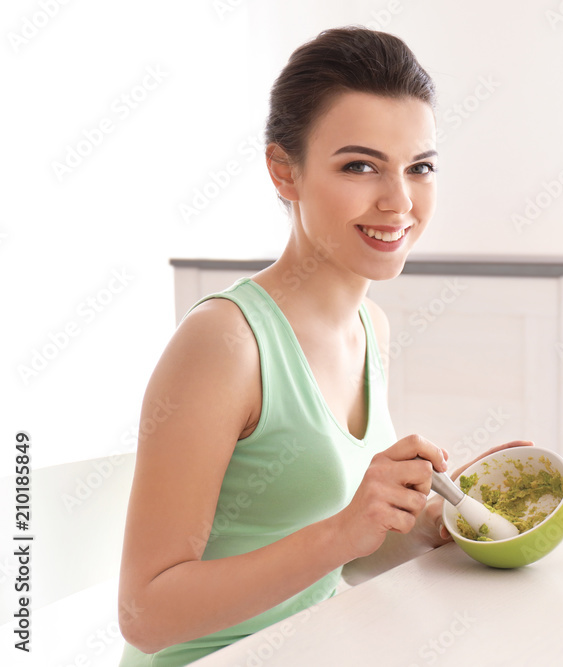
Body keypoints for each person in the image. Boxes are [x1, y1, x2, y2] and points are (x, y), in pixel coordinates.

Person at [117, 27, 529, 666]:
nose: (398, 202)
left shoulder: (372, 328)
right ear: (285, 172)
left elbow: (341, 552)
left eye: (419, 168)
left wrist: (437, 519)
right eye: (360, 166)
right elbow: (144, 616)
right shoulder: (226, 344)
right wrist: (342, 533)